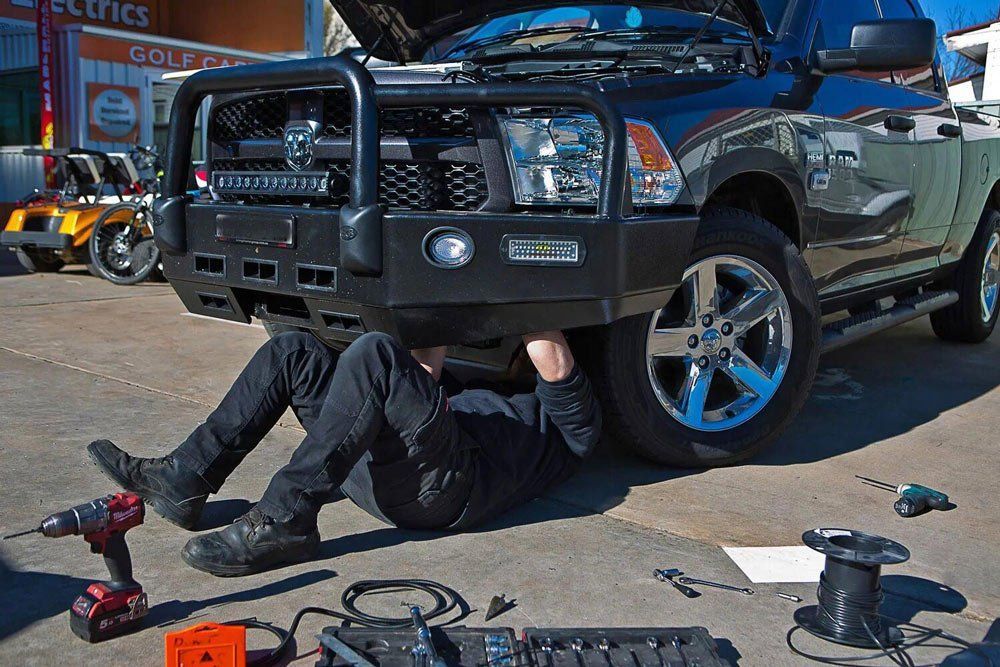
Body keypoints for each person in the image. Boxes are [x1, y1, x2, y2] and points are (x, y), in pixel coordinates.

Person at [87, 330, 601, 576]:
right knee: (295, 353)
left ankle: (286, 519)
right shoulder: (470, 392)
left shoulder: (556, 423)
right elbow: (421, 379)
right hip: (391, 471)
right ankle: (186, 478)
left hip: (446, 492)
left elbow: (553, 365)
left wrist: (531, 297)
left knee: (374, 354)